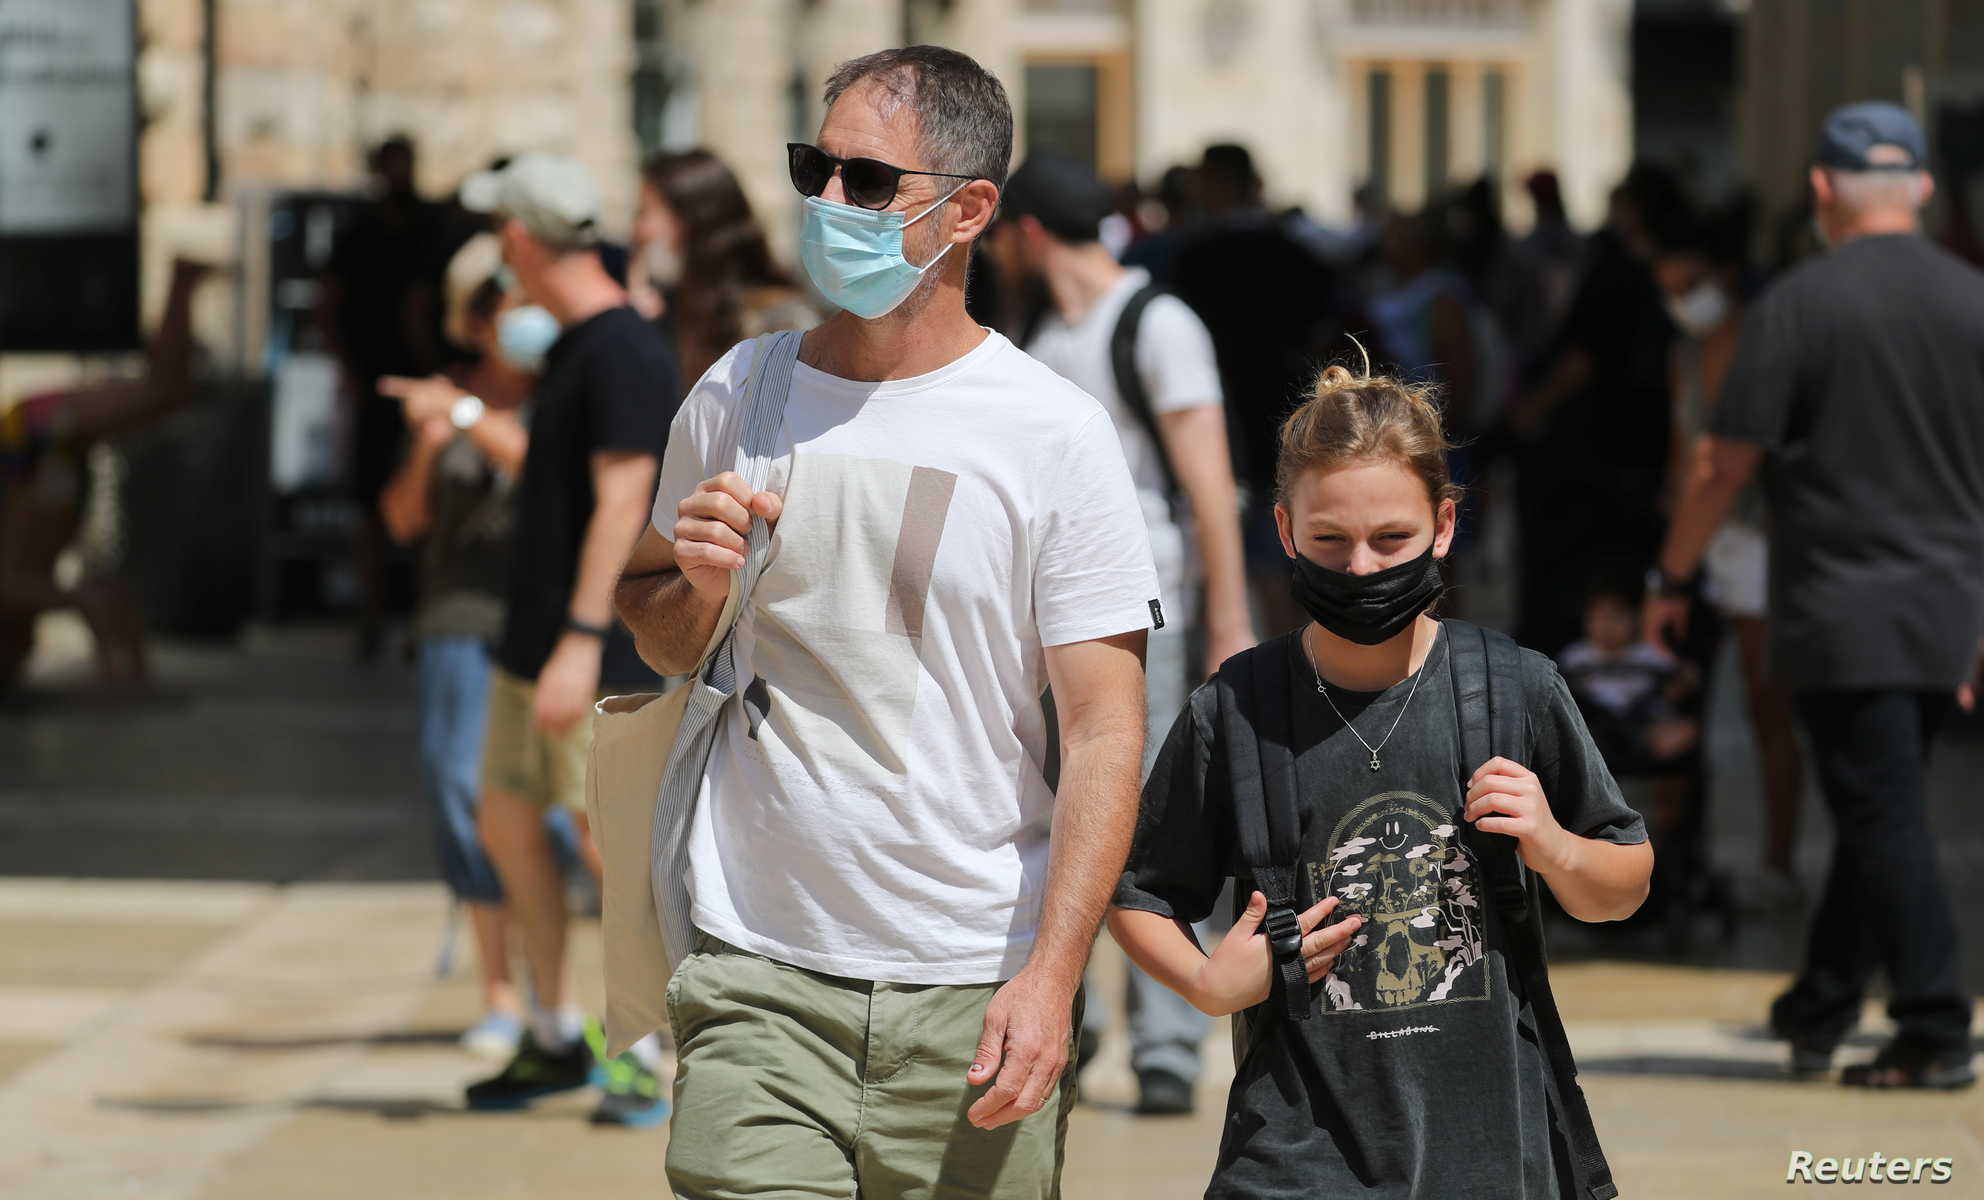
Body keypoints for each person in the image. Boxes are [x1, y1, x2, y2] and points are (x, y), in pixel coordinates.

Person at [614, 45, 1158, 1196]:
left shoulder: (1051, 434)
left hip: (975, 990)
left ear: (967, 211)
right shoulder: (737, 392)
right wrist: (697, 592)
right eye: (816, 168)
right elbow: (652, 627)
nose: (826, 205)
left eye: (868, 184)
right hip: (756, 971)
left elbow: (1107, 731)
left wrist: (1054, 978)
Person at [1109, 363, 1652, 1197]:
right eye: (1330, 541)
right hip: (1295, 1157)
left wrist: (1552, 846)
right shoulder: (1236, 710)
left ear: (1443, 525)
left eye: (1390, 540)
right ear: (1285, 532)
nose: (1361, 569)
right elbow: (1139, 893)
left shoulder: (1515, 687)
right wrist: (1207, 984)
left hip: (1493, 1153)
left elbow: (1622, 885)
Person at [1648, 101, 1982, 1090]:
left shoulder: (1796, 304)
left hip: (1841, 609)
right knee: (1878, 801)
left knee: (1881, 812)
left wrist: (1672, 574)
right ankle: (1821, 1002)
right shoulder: (1974, 301)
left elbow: (1719, 465)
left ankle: (1932, 1024)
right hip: (1947, 610)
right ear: (1920, 187)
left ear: (1821, 191)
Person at [393, 154, 680, 1125]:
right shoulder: (571, 347)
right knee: (508, 827)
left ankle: (640, 1053)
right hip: (530, 645)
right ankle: (553, 1035)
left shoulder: (623, 351)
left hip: (584, 650)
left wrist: (580, 639)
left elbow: (623, 500)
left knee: (606, 848)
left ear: (518, 240)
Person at [988, 149, 1254, 1114]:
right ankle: (1074, 1016)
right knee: (1061, 815)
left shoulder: (1156, 323)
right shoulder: (1041, 330)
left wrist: (1229, 620)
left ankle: (1169, 1039)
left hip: (1152, 613)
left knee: (1149, 826)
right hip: (1045, 623)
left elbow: (1209, 485)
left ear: (1024, 233)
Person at [377, 234, 541, 1059]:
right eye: (501, 302)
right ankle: (500, 991)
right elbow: (403, 520)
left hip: (547, 625)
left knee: (553, 810)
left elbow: (550, 475)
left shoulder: (566, 389)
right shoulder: (443, 403)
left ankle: (562, 994)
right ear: (475, 319)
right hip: (456, 624)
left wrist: (469, 419)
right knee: (457, 790)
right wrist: (432, 445)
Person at [1648, 208, 1804, 911]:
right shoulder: (1689, 349)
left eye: (1691, 283)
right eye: (1669, 287)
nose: (1681, 298)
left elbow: (1720, 465)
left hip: (1754, 538)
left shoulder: (1753, 342)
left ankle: (1778, 860)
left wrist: (1672, 567)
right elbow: (1687, 460)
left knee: (1768, 702)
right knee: (1694, 698)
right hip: (1706, 541)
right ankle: (1690, 860)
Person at [1, 258, 211, 692]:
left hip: (30, 437)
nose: (26, 655)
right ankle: (182, 284)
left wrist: (83, 603)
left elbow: (90, 601)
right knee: (167, 392)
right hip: (33, 444)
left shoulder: (21, 591)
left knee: (165, 391)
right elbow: (102, 603)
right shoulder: (27, 577)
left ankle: (181, 282)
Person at [320, 134, 452, 659]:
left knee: (427, 502)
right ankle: (372, 616)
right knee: (372, 504)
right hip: (376, 383)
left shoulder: (427, 224)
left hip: (424, 387)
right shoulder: (359, 229)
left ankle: (420, 617)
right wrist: (349, 371)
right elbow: (330, 303)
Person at [628, 148, 822, 391]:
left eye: (644, 213)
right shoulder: (667, 311)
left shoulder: (779, 322)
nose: (637, 231)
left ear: (692, 220)